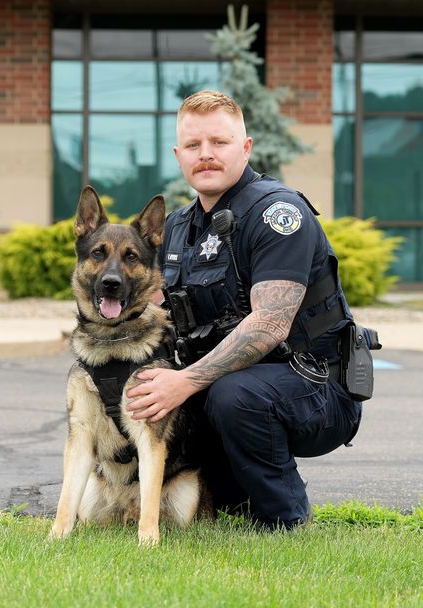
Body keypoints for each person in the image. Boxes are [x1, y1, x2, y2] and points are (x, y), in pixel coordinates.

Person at [125, 89, 362, 530]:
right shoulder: (179, 226)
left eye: (220, 142)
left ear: (246, 147)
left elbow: (270, 324)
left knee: (231, 395)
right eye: (194, 146)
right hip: (232, 384)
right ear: (179, 155)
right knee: (170, 391)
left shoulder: (277, 213)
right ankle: (226, 506)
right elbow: (152, 310)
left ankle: (285, 518)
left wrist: (184, 382)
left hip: (315, 386)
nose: (206, 154)